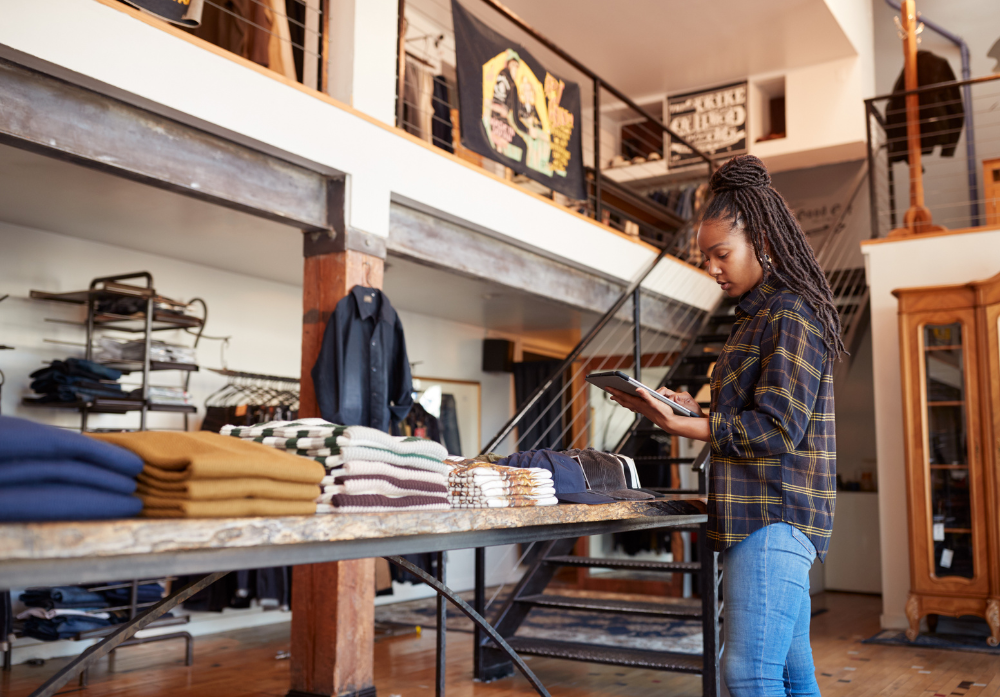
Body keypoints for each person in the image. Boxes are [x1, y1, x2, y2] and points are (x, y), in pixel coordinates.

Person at [608, 154, 840, 697]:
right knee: (788, 672)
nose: (713, 268)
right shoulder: (757, 316)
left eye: (722, 254)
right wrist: (689, 408)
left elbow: (779, 427)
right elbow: (752, 413)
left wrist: (683, 426)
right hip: (762, 514)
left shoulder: (789, 313)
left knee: (746, 673)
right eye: (706, 257)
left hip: (772, 514)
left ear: (760, 238)